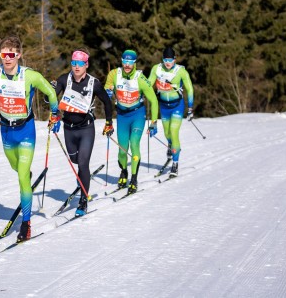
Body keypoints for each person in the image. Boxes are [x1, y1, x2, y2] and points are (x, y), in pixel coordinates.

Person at [0, 36, 58, 243]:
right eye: (4, 54)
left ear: (18, 55)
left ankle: (26, 224)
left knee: (21, 177)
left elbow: (51, 92)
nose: (7, 58)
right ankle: (25, 174)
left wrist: (55, 114)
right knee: (16, 167)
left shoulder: (31, 76)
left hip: (26, 130)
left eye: (11, 54)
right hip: (6, 131)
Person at [52, 50, 113, 215]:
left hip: (86, 128)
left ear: (86, 65)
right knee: (74, 159)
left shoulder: (94, 83)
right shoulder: (64, 79)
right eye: (74, 63)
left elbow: (107, 103)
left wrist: (108, 122)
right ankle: (82, 177)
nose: (76, 67)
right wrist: (50, 95)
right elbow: (50, 99)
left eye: (80, 63)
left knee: (83, 162)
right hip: (68, 128)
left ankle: (83, 201)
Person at [103, 49, 158, 194]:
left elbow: (153, 100)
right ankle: (124, 172)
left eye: (130, 62)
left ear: (135, 63)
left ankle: (134, 179)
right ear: (121, 61)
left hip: (137, 115)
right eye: (125, 61)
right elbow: (105, 89)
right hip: (122, 116)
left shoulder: (141, 78)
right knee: (122, 150)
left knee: (134, 143)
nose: (127, 65)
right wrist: (107, 92)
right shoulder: (114, 74)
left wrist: (153, 122)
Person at [148, 46, 194, 178]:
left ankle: (175, 163)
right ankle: (171, 144)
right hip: (164, 106)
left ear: (175, 59)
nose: (168, 62)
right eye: (165, 59)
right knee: (168, 134)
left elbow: (190, 89)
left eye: (170, 60)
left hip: (177, 106)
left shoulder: (181, 71)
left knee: (174, 133)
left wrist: (190, 108)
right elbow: (149, 84)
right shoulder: (156, 69)